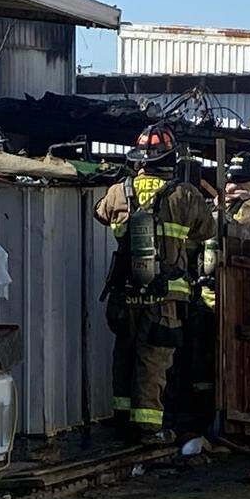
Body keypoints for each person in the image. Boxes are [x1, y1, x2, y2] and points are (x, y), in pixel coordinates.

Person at [96, 126, 215, 442]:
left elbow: (100, 213)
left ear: (139, 159)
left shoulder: (119, 192)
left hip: (124, 295)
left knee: (124, 354)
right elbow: (208, 229)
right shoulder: (184, 194)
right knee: (153, 361)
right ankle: (148, 429)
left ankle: (121, 420)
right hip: (163, 298)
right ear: (171, 158)